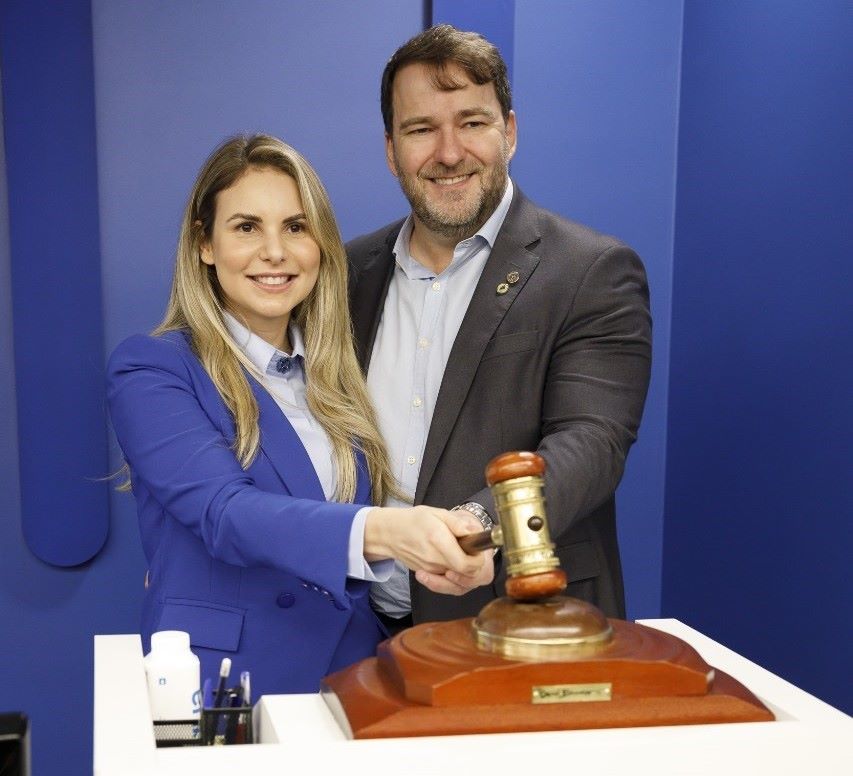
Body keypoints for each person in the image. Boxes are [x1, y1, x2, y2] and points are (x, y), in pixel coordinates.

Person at [107, 134, 492, 697]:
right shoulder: (154, 368)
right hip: (224, 680)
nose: (275, 252)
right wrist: (388, 533)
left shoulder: (339, 371)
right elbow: (225, 513)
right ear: (204, 244)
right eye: (246, 227)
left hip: (353, 673)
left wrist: (456, 546)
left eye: (295, 226)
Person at [347, 25, 652, 632]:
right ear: (390, 150)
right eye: (420, 129)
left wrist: (480, 525)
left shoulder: (591, 270)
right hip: (357, 629)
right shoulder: (347, 272)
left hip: (519, 624)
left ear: (509, 131)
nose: (449, 152)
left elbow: (590, 443)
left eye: (472, 122)